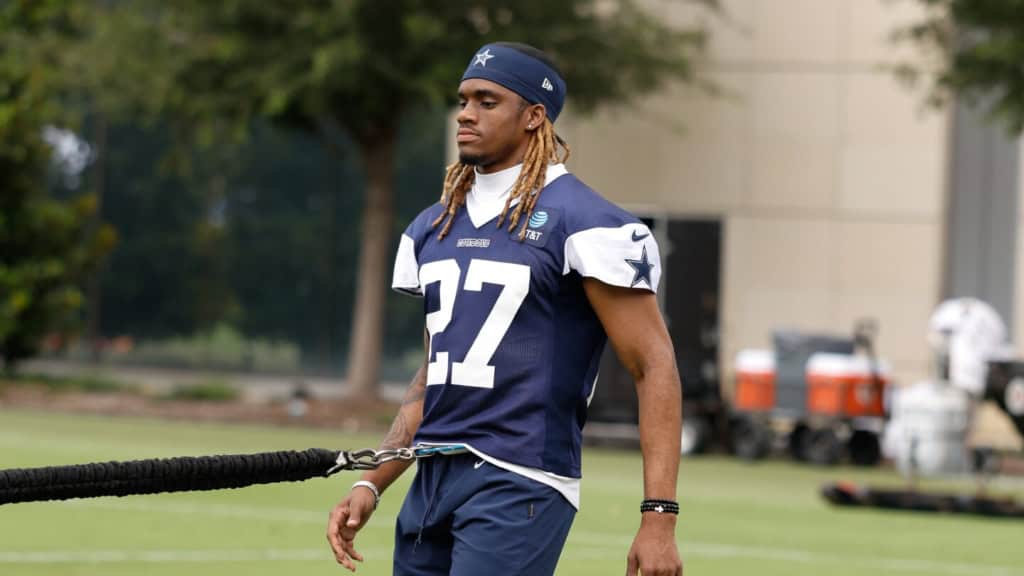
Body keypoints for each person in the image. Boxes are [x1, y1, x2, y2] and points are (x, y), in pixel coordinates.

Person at [327, 41, 683, 576]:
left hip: (521, 480)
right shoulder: (432, 226)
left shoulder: (588, 223)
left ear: (535, 117)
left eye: (488, 101)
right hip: (432, 479)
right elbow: (438, 376)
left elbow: (653, 365)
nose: (466, 113)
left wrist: (659, 516)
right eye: (464, 99)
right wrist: (371, 481)